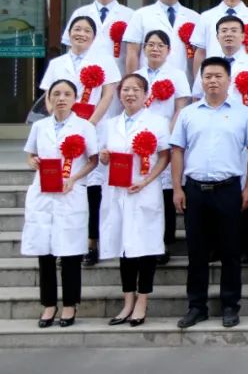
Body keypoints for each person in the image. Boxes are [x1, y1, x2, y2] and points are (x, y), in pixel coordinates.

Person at [169, 57, 248, 329]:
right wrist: (177, 188)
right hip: (195, 190)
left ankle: (230, 305)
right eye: (208, 76)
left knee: (231, 251)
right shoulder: (188, 113)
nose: (213, 81)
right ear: (201, 80)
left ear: (229, 80)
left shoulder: (244, 113)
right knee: (196, 252)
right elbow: (177, 150)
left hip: (228, 189)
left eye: (218, 76)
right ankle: (197, 306)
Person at [190, 15, 248, 265]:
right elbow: (197, 98)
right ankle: (214, 246)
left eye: (234, 30)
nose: (228, 34)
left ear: (244, 36)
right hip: (213, 133)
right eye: (223, 30)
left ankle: (244, 244)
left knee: (245, 187)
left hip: (245, 133)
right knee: (216, 187)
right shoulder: (210, 64)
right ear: (216, 36)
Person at [40, 16, 120, 267]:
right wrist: (61, 121)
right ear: (68, 33)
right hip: (62, 131)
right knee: (64, 187)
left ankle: (91, 243)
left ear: (94, 37)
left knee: (93, 189)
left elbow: (108, 95)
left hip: (95, 129)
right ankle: (63, 245)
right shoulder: (57, 64)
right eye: (76, 29)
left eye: (87, 30)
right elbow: (49, 97)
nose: (81, 34)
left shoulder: (104, 60)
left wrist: (88, 125)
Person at [21, 79, 100, 328]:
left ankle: (69, 304)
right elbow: (31, 156)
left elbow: (94, 160)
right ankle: (48, 304)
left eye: (67, 94)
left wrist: (74, 178)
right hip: (43, 193)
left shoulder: (85, 127)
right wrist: (33, 162)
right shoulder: (39, 126)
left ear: (75, 99)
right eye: (56, 94)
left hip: (70, 193)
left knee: (70, 253)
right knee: (45, 252)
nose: (61, 98)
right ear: (49, 99)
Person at [97, 74, 171, 327]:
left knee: (146, 247)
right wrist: (104, 157)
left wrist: (146, 181)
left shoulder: (158, 122)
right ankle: (127, 301)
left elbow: (165, 156)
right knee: (124, 248)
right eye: (125, 89)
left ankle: (142, 301)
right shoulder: (110, 124)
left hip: (144, 191)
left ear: (145, 94)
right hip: (117, 192)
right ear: (119, 94)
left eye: (136, 89)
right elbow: (103, 156)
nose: (130, 94)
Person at [134, 30, 191, 266]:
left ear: (168, 50)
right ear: (144, 49)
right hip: (138, 142)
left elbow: (181, 107)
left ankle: (163, 243)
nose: (155, 49)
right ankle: (141, 241)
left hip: (165, 140)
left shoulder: (177, 75)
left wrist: (167, 134)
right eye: (150, 44)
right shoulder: (136, 76)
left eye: (160, 45)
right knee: (141, 190)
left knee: (165, 193)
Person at [122, 0, 200, 78]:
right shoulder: (141, 15)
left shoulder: (194, 17)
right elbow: (132, 52)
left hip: (184, 80)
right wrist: (132, 82)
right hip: (149, 81)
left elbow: (199, 54)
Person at [61, 0, 133, 74]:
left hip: (118, 73)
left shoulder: (130, 15)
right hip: (85, 74)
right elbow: (70, 46)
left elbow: (134, 51)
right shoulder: (80, 13)